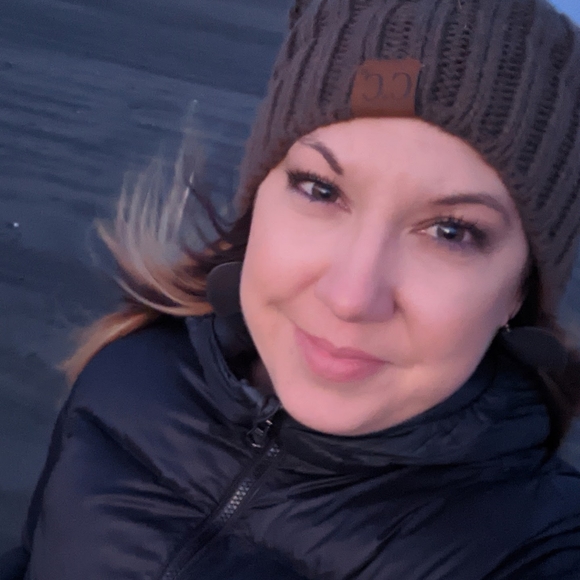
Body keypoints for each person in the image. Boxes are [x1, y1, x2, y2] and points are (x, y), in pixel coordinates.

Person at [3, 0, 580, 578]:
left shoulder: (533, 552)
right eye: (321, 191)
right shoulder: (131, 371)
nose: (350, 297)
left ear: (518, 291)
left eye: (450, 232)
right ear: (260, 198)